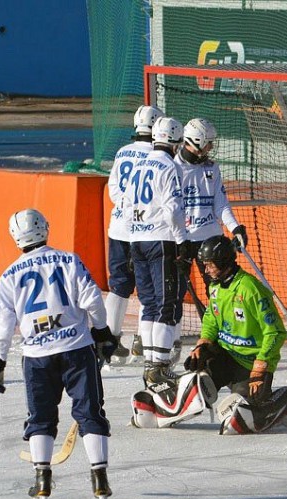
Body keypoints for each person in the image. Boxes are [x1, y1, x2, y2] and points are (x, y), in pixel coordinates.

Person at [0, 209, 117, 499]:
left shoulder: (9, 276)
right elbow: (93, 299)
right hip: (76, 349)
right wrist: (102, 333)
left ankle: (42, 480)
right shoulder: (69, 260)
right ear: (45, 228)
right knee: (89, 413)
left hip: (37, 357)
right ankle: (100, 479)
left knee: (41, 418)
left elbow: (5, 323)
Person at [182, 235, 287, 434]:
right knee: (194, 385)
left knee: (247, 421)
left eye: (210, 265)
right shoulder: (215, 286)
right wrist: (203, 343)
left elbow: (275, 332)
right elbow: (211, 321)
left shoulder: (250, 289)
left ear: (224, 262)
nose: (206, 270)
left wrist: (261, 367)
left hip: (252, 365)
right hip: (226, 357)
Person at [121, 116, 189, 386]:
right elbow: (173, 209)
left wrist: (130, 242)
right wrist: (182, 241)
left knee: (149, 304)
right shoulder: (170, 166)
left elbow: (124, 204)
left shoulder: (139, 165)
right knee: (166, 304)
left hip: (136, 238)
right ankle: (158, 366)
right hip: (160, 239)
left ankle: (151, 364)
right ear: (176, 141)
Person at [172, 118, 247, 351]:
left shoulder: (211, 168)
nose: (211, 148)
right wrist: (177, 240)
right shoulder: (172, 168)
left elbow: (220, 204)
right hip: (182, 240)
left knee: (219, 291)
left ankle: (225, 337)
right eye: (208, 143)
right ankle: (170, 342)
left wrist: (235, 227)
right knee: (175, 292)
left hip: (210, 240)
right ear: (195, 142)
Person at [105, 105, 164, 359]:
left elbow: (113, 191)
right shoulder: (160, 155)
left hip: (118, 226)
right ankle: (142, 339)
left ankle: (109, 341)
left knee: (119, 285)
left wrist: (128, 207)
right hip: (146, 229)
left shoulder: (122, 152)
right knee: (147, 286)